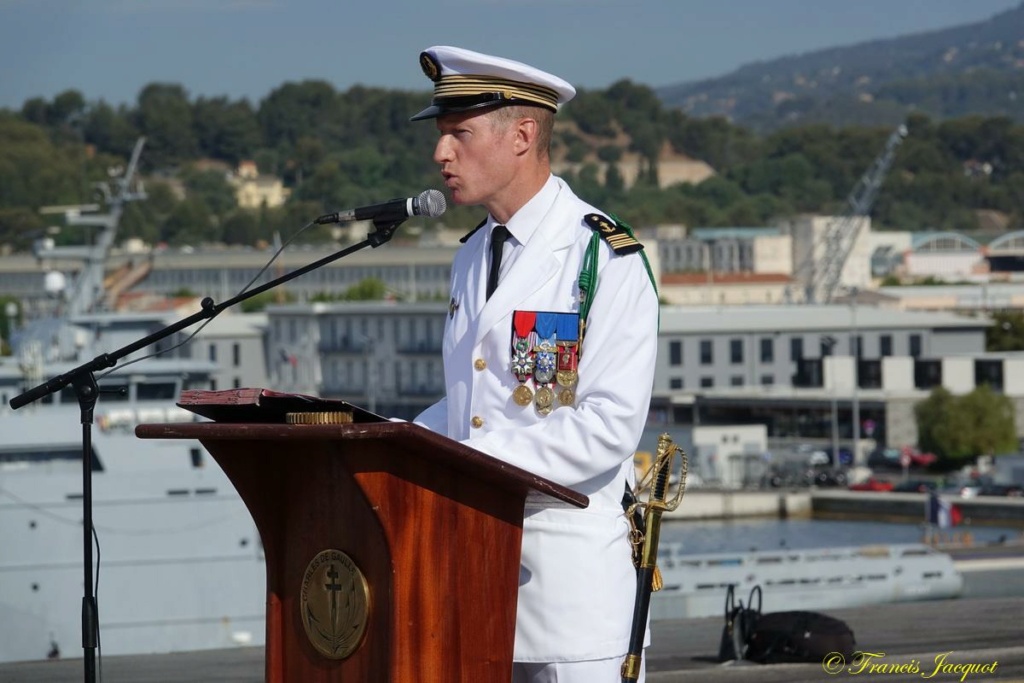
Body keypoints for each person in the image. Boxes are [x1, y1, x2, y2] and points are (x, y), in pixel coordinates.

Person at [410, 45, 659, 683]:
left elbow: (608, 427)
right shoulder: (472, 256)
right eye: (441, 136)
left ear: (523, 135)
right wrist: (391, 440)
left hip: (569, 595)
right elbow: (470, 405)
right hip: (474, 581)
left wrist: (468, 465)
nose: (441, 155)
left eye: (458, 134)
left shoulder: (603, 257)